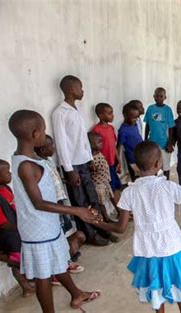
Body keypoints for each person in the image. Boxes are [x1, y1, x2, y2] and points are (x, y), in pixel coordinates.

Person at [95, 141, 181, 313]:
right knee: (180, 288)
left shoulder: (129, 192)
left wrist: (98, 223)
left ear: (136, 166)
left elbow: (120, 227)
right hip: (172, 249)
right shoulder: (168, 187)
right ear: (158, 164)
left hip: (148, 252)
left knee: (156, 291)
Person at [8, 109, 101, 312]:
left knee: (58, 260)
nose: (44, 134)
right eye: (43, 130)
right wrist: (78, 211)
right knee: (44, 276)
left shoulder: (26, 159)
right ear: (35, 134)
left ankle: (76, 295)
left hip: (47, 225)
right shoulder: (26, 166)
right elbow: (38, 203)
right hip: (38, 229)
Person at [52, 75, 109, 246]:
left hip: (83, 162)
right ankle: (89, 234)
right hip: (72, 166)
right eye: (80, 87)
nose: (82, 91)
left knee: (92, 197)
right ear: (71, 90)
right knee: (79, 201)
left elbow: (82, 138)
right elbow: (61, 143)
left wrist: (89, 157)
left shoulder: (75, 110)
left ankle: (101, 228)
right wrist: (69, 170)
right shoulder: (60, 113)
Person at [34, 135, 87, 273]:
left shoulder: (48, 160)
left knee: (64, 232)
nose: (54, 148)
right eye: (51, 145)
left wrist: (66, 181)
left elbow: (55, 178)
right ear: (42, 149)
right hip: (52, 204)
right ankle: (63, 264)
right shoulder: (38, 165)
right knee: (58, 234)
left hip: (59, 201)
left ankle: (66, 259)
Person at [0, 159, 34, 296]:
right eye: (7, 172)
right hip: (6, 235)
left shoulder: (6, 188)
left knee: (19, 259)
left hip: (16, 232)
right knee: (18, 259)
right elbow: (2, 224)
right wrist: (22, 225)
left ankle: (26, 287)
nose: (10, 173)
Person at [88, 132, 122, 230]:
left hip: (106, 181)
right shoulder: (91, 158)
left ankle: (119, 211)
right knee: (101, 202)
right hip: (98, 184)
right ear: (90, 144)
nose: (102, 144)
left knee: (111, 196)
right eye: (99, 142)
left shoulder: (99, 153)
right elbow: (92, 172)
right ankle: (106, 218)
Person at [91, 102, 122, 202]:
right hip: (104, 165)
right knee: (111, 187)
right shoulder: (96, 130)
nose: (112, 116)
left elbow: (113, 145)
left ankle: (122, 208)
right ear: (101, 116)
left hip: (112, 163)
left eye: (112, 113)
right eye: (109, 113)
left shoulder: (111, 128)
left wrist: (119, 160)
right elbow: (94, 149)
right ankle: (120, 210)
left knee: (117, 185)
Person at [144, 87, 175, 179]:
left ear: (165, 97)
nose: (159, 98)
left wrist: (169, 144)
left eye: (161, 96)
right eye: (157, 96)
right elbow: (148, 125)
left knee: (166, 168)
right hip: (152, 143)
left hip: (164, 144)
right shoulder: (150, 109)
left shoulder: (168, 110)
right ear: (154, 97)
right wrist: (145, 139)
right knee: (153, 167)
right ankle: (155, 184)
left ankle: (166, 184)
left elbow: (171, 128)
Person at [118, 101, 143, 181]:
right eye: (133, 117)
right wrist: (119, 162)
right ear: (125, 116)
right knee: (136, 178)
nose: (135, 119)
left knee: (143, 177)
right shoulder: (123, 130)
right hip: (132, 159)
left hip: (140, 156)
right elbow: (119, 146)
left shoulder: (134, 124)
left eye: (137, 117)